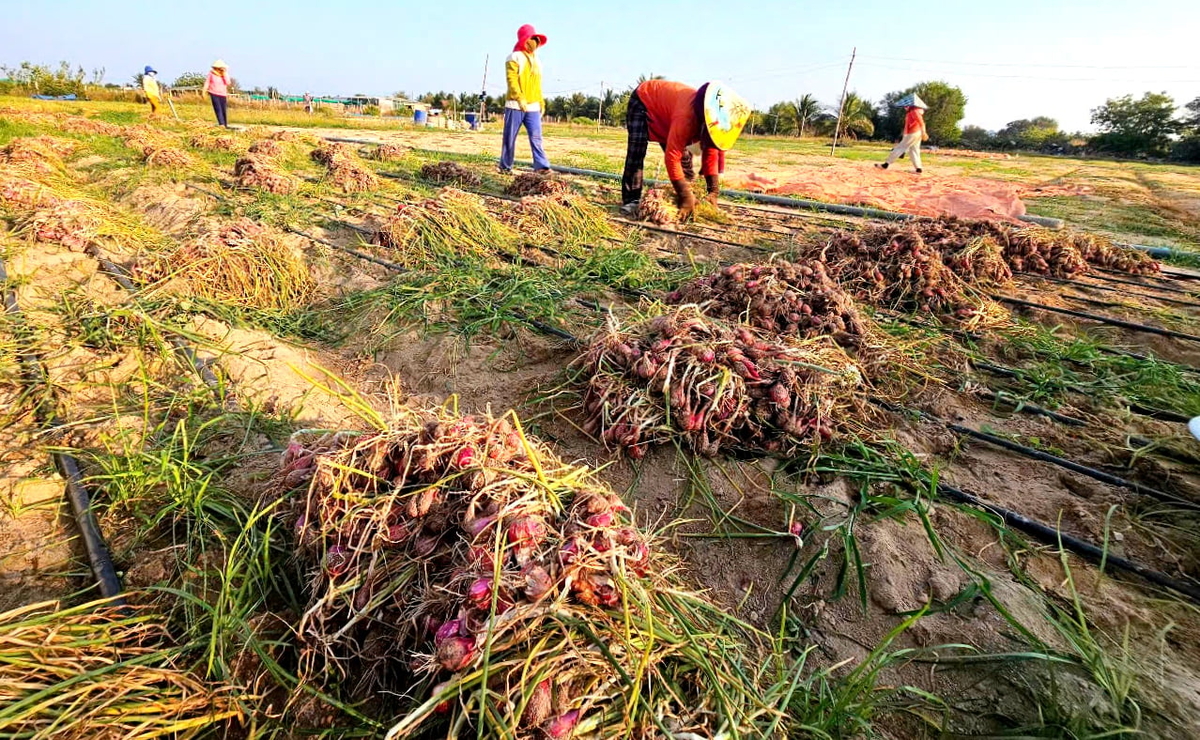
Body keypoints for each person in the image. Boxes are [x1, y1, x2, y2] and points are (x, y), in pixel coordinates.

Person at [620, 80, 751, 220]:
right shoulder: (686, 116)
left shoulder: (710, 121)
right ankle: (631, 200)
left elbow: (710, 152)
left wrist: (713, 191)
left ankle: (683, 196)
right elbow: (671, 157)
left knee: (685, 164)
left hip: (668, 116)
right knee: (637, 152)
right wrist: (685, 195)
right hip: (644, 100)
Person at [498, 24, 549, 173]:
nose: (534, 42)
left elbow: (537, 83)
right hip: (515, 105)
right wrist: (520, 98)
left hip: (533, 106)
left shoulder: (537, 60)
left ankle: (541, 166)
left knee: (536, 136)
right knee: (510, 137)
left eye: (536, 39)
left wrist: (541, 101)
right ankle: (505, 166)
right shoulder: (514, 57)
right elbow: (511, 80)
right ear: (524, 39)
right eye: (531, 38)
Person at [877, 93, 928, 173]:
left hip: (913, 133)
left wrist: (924, 132)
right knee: (914, 150)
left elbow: (921, 122)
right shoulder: (912, 112)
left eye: (906, 106)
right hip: (915, 133)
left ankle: (886, 164)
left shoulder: (914, 111)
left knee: (900, 148)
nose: (905, 107)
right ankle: (918, 169)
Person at [205, 60, 232, 128]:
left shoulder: (224, 74)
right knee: (218, 109)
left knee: (223, 109)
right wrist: (204, 91)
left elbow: (228, 82)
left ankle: (225, 125)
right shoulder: (211, 74)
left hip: (222, 94)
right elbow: (207, 82)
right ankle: (221, 124)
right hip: (214, 93)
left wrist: (224, 74)